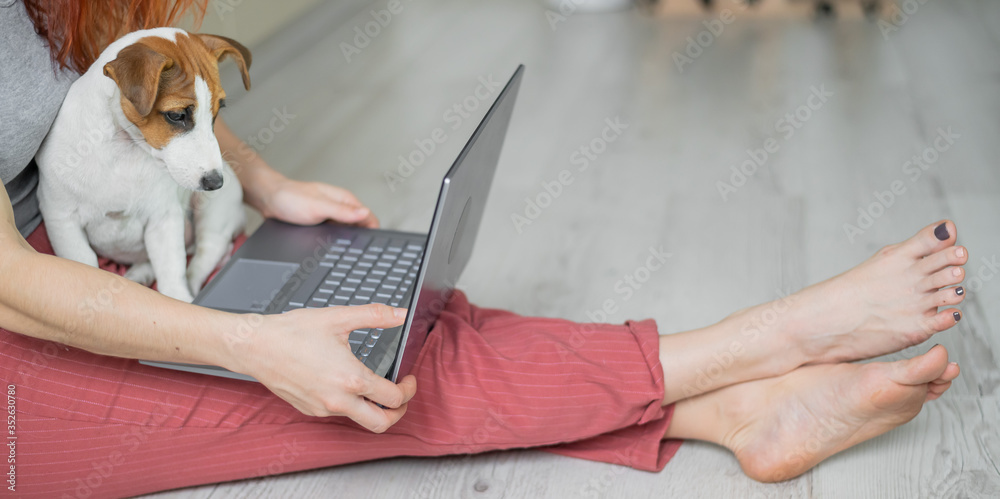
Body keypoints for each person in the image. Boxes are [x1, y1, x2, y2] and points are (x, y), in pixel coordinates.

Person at [0, 0, 966, 496]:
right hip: (21, 309)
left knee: (398, 317)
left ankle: (735, 415)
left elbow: (117, 99)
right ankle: (763, 345)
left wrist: (262, 182)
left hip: (98, 229)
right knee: (376, 385)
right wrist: (247, 347)